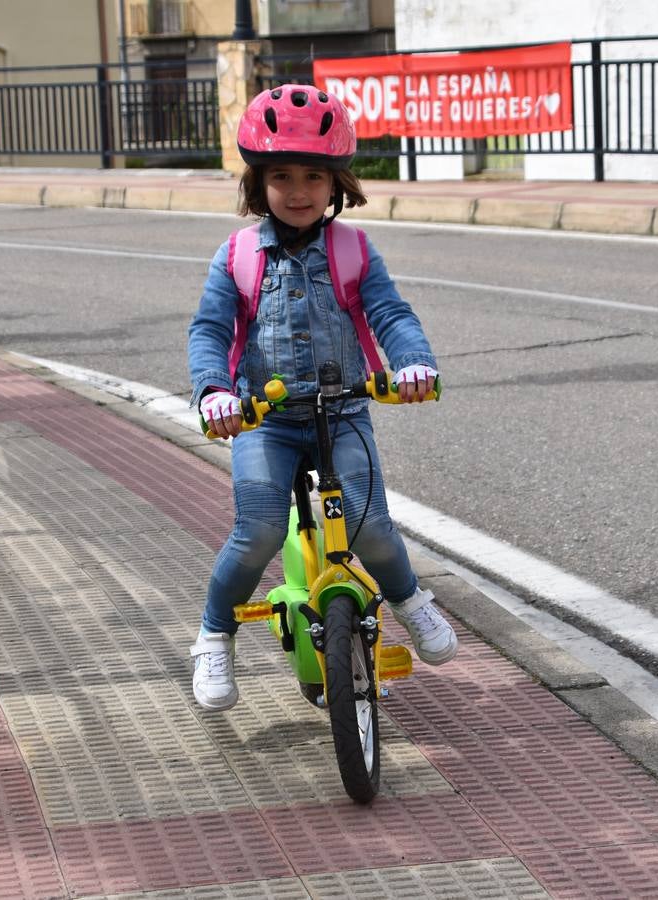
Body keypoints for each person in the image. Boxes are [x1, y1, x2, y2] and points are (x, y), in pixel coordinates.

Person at [185, 84, 458, 711]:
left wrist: (413, 363)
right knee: (254, 531)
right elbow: (211, 330)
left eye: (314, 174)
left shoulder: (354, 249)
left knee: (372, 529)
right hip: (265, 419)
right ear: (258, 184)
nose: (299, 190)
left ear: (337, 181)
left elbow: (390, 314)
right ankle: (214, 635)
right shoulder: (237, 256)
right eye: (281, 175)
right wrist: (214, 393)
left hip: (345, 412)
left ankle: (412, 601)